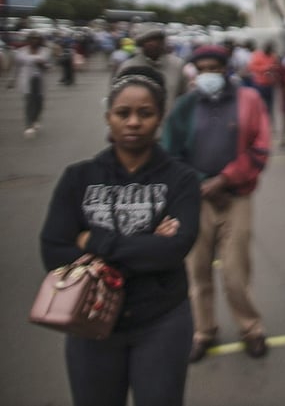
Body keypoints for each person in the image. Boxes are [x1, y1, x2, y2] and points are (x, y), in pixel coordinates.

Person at [39, 66, 201, 406]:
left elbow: (173, 251)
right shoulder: (78, 178)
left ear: (160, 119)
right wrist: (146, 243)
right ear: (108, 117)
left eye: (145, 113)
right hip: (88, 319)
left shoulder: (182, 180)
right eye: (122, 113)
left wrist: (91, 242)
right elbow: (53, 252)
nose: (133, 122)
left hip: (162, 321)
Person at [161, 45, 271, 363]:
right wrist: (200, 183)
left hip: (236, 197)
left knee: (236, 272)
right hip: (195, 200)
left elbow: (260, 148)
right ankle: (203, 331)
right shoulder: (184, 107)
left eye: (216, 68)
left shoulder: (249, 101)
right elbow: (171, 154)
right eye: (203, 68)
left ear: (227, 69)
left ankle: (250, 329)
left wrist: (225, 180)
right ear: (195, 72)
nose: (210, 74)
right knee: (197, 271)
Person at [118, 23, 188, 115]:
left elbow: (185, 97)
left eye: (156, 39)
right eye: (147, 40)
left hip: (170, 125)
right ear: (141, 43)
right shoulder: (127, 67)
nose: (152, 43)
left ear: (163, 41)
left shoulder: (178, 65)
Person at [9, 31, 51, 138]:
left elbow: (49, 67)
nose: (34, 41)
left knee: (39, 103)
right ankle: (29, 125)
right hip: (26, 80)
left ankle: (36, 119)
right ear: (28, 40)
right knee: (29, 103)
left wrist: (43, 65)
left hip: (40, 81)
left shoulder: (45, 51)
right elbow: (16, 67)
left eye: (36, 39)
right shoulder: (21, 52)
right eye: (32, 39)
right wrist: (12, 80)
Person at [247, 41, 280, 118]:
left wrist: (274, 69)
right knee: (259, 104)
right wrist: (265, 68)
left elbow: (276, 67)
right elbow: (251, 67)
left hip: (270, 84)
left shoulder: (273, 56)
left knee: (270, 105)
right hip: (259, 84)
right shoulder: (258, 55)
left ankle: (268, 120)